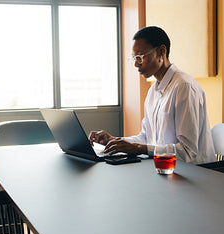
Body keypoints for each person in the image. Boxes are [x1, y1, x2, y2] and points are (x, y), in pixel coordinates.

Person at [89, 26, 216, 164]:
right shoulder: (153, 92)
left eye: (140, 56)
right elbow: (146, 138)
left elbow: (187, 152)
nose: (136, 64)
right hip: (166, 169)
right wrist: (115, 141)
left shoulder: (184, 87)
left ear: (161, 51)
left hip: (195, 174)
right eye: (134, 58)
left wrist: (139, 148)